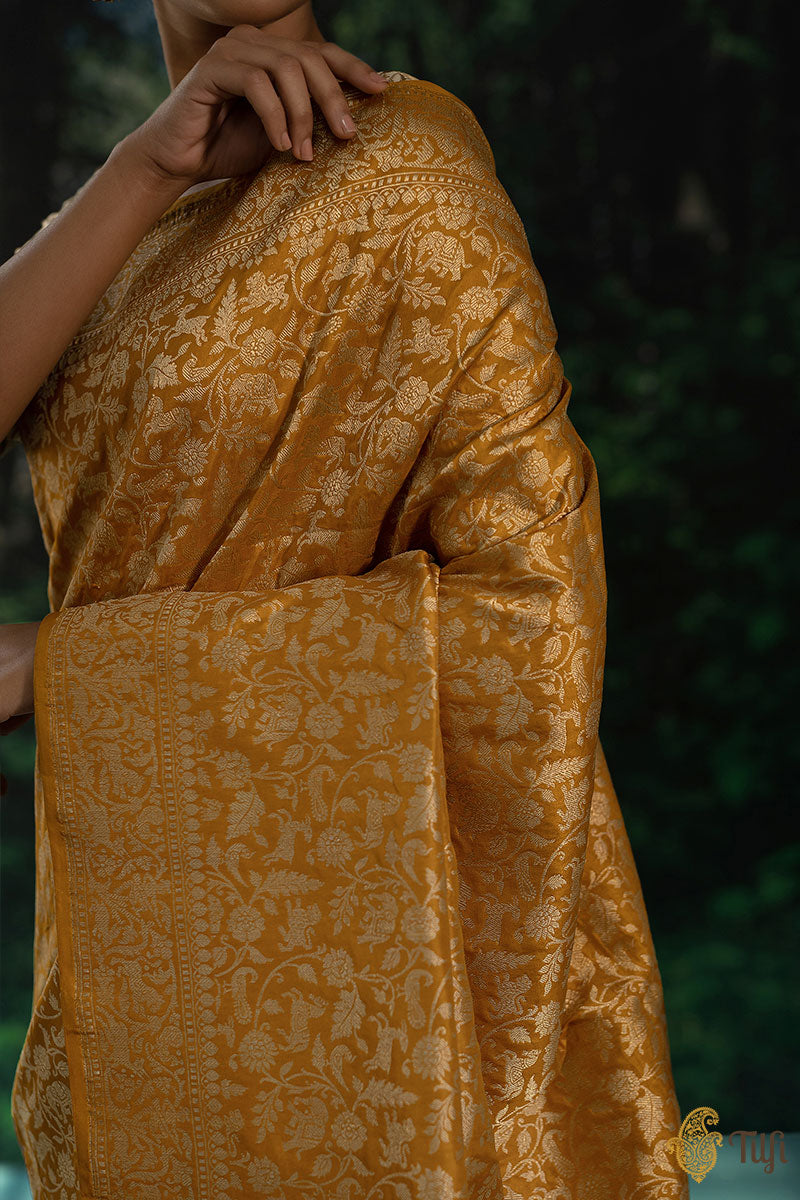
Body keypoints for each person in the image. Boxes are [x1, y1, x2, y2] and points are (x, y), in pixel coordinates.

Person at [0, 3, 691, 1198]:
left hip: (387, 970)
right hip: (127, 939)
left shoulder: (405, 168)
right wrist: (143, 170)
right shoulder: (139, 201)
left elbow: (532, 603)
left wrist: (73, 669)